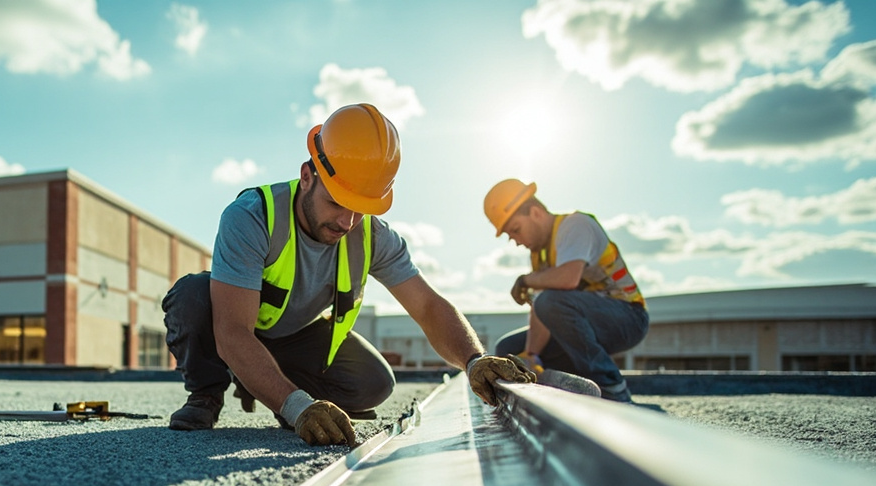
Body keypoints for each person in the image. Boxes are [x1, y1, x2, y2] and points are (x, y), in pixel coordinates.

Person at [162, 103, 536, 446]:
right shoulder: (252, 217)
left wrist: (475, 359)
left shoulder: (372, 235)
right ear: (307, 176)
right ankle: (207, 392)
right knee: (192, 297)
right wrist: (297, 408)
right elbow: (231, 333)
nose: (347, 221)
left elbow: (427, 306)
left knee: (372, 385)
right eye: (337, 203)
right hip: (237, 327)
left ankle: (262, 382)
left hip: (296, 337)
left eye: (360, 208)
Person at [482, 178, 649, 403]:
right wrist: (531, 356)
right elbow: (542, 309)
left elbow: (568, 279)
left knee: (550, 302)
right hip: (586, 323)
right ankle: (566, 382)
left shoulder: (576, 225)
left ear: (536, 213)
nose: (517, 241)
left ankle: (611, 386)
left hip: (628, 318)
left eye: (516, 230)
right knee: (508, 349)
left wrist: (525, 280)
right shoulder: (540, 254)